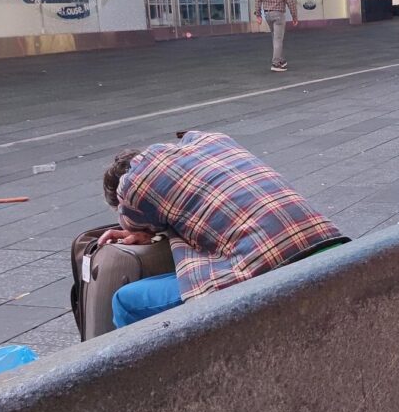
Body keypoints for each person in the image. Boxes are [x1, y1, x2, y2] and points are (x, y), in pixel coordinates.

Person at [100, 131, 350, 328]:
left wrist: (140, 232)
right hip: (335, 250)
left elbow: (137, 229)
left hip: (271, 272)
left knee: (126, 301)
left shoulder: (133, 186)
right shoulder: (212, 141)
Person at [254, 0, 298, 72]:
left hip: (267, 14)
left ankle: (281, 59)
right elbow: (290, 1)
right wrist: (294, 16)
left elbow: (257, 0)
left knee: (275, 37)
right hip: (278, 14)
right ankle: (276, 63)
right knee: (278, 38)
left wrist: (258, 15)